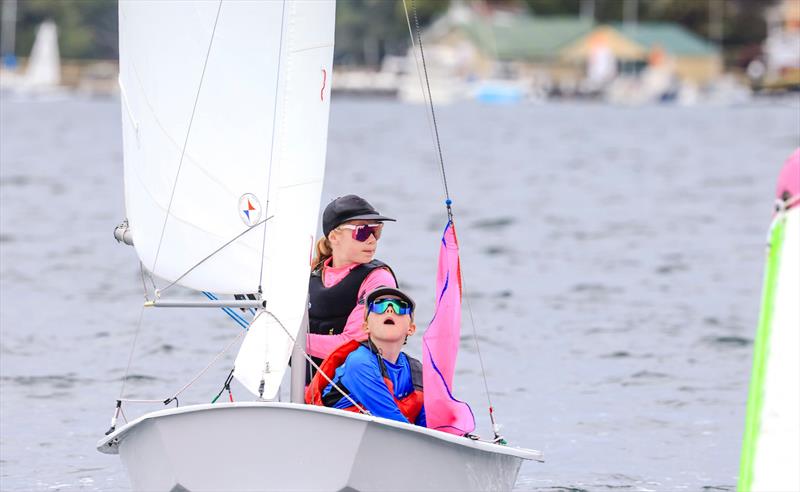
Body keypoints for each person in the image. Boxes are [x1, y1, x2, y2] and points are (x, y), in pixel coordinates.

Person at [306, 195, 398, 381]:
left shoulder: (379, 279)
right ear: (334, 237)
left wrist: (287, 341)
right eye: (363, 232)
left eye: (376, 230)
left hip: (358, 394)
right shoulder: (308, 275)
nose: (372, 240)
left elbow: (351, 344)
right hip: (308, 392)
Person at [306, 287, 425, 427]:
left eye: (401, 306)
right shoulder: (359, 362)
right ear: (365, 327)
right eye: (379, 305)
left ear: (411, 328)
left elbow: (429, 425)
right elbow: (391, 421)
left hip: (386, 441)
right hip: (336, 438)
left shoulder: (417, 371)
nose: (389, 309)